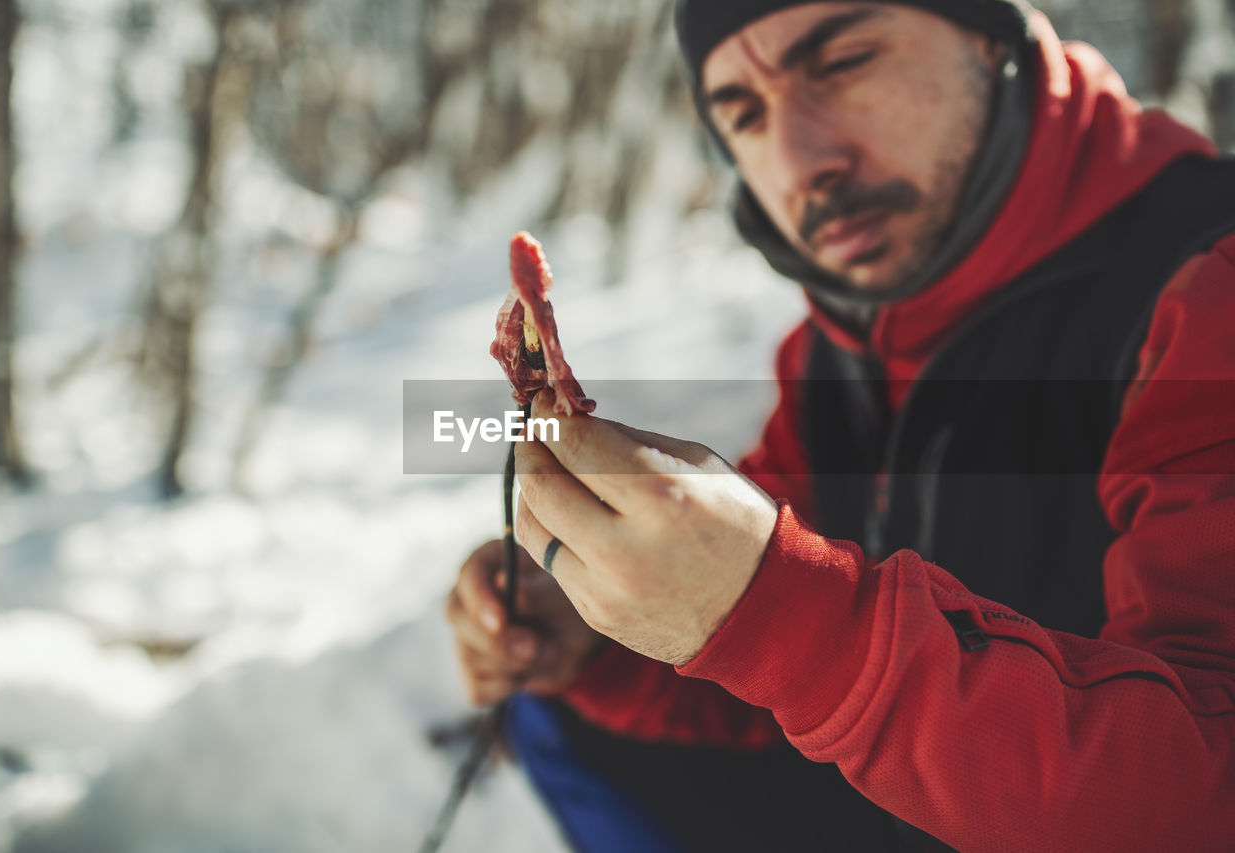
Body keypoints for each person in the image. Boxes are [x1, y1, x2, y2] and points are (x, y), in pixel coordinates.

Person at [445, 1, 1235, 850]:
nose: (800, 161)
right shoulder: (836, 350)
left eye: (843, 63)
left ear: (986, 33)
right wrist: (614, 632)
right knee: (569, 719)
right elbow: (773, 674)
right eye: (744, 113)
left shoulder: (1201, 289)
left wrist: (784, 612)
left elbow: (1208, 795)